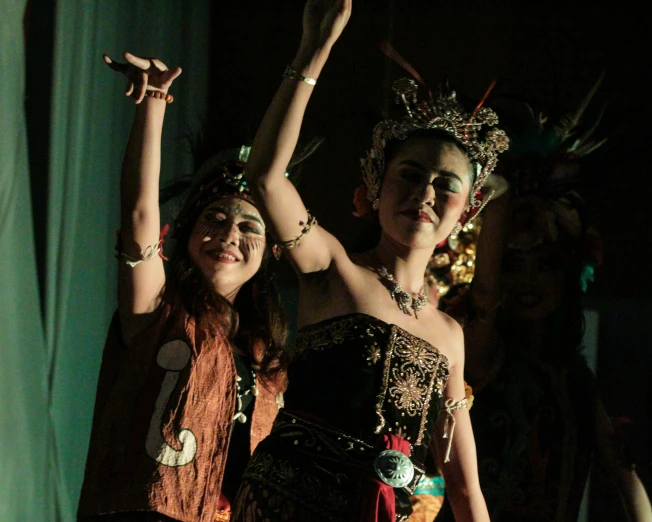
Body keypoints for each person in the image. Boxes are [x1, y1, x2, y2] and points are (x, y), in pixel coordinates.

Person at [229, 1, 510, 520]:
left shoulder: (449, 335)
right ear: (376, 188)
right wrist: (314, 51)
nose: (425, 192)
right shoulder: (334, 269)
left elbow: (467, 491)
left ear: (465, 213)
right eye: (409, 174)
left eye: (446, 184)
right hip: (283, 507)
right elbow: (267, 177)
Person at [77, 53, 290, 522]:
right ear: (185, 232)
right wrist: (152, 104)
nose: (231, 234)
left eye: (249, 225)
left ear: (271, 250)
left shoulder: (268, 357)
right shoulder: (159, 312)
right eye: (215, 218)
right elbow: (137, 220)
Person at [433, 81, 652, 522]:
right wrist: (497, 206)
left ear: (570, 275)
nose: (528, 281)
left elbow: (623, 473)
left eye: (546, 265)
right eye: (514, 265)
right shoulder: (482, 357)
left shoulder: (574, 379)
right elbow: (485, 298)